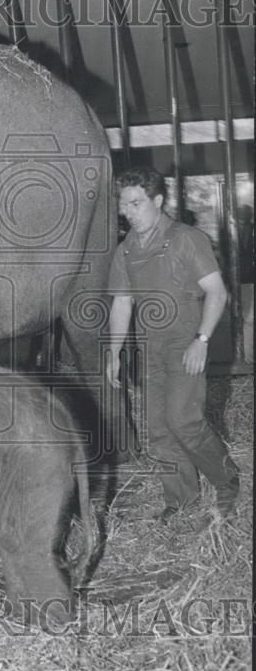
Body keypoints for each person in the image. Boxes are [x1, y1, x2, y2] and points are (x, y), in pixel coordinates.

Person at [106, 166, 240, 523]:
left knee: (183, 420)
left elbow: (217, 292)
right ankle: (181, 498)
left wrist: (202, 340)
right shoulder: (127, 250)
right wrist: (113, 352)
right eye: (124, 206)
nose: (128, 213)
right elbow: (122, 302)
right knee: (158, 429)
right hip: (149, 348)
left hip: (184, 342)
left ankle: (226, 479)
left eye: (136, 204)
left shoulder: (186, 239)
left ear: (159, 201)